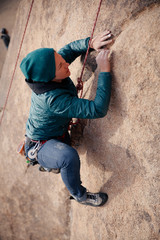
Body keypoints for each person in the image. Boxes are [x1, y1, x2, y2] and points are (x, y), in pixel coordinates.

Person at [20, 30, 113, 207]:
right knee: (68, 157)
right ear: (49, 77)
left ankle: (51, 161)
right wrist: (105, 72)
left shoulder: (51, 69)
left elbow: (68, 50)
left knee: (64, 149)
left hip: (56, 132)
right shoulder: (53, 100)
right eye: (60, 66)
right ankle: (80, 196)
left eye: (61, 60)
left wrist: (91, 43)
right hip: (42, 143)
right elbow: (97, 109)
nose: (65, 63)